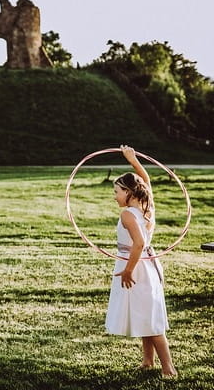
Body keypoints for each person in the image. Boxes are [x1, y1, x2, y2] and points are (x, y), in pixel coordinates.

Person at [105, 145, 177, 378]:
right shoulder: (147, 206)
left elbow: (137, 243)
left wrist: (127, 271)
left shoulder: (127, 214)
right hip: (147, 265)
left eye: (117, 191)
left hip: (136, 265)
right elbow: (145, 181)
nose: (114, 196)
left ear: (129, 192)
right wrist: (132, 159)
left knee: (150, 318)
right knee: (146, 313)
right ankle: (148, 361)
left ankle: (168, 368)